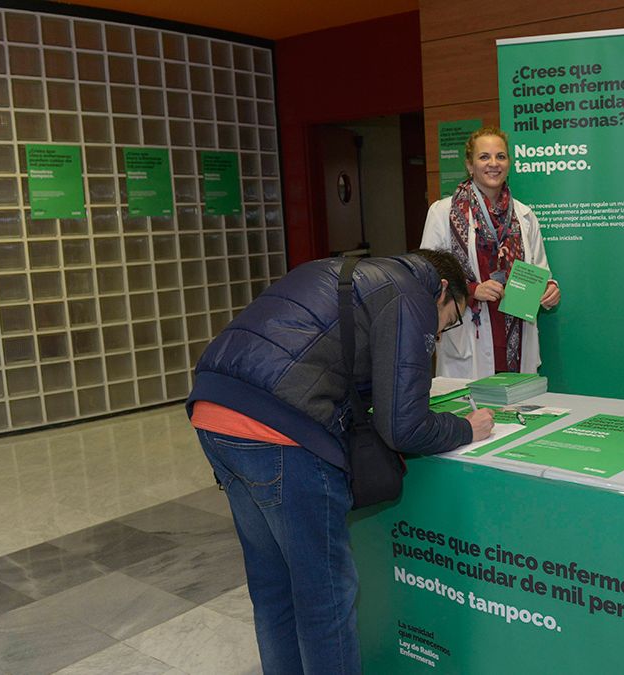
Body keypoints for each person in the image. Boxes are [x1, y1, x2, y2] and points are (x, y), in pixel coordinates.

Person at [186, 249, 495, 674]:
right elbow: (402, 427)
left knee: (273, 586)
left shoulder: (347, 271)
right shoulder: (411, 295)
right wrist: (466, 428)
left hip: (214, 411)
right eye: (451, 319)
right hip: (281, 434)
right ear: (442, 290)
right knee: (324, 597)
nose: (442, 333)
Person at [420, 126, 560, 379]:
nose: (493, 163)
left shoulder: (524, 215)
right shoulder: (442, 213)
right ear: (470, 165)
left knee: (516, 409)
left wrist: (549, 288)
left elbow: (540, 271)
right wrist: (473, 290)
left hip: (516, 335)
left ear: (508, 163)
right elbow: (427, 277)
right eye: (484, 157)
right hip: (469, 335)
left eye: (501, 156)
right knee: (474, 415)